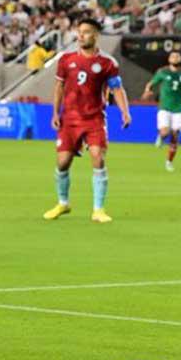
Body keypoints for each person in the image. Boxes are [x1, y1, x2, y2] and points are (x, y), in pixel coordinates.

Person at [44, 18, 131, 223]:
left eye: (86, 32)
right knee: (63, 162)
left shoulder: (107, 63)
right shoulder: (66, 60)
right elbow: (59, 88)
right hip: (70, 119)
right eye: (79, 31)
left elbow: (117, 88)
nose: (81, 35)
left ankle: (98, 209)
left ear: (95, 35)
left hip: (95, 118)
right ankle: (63, 203)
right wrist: (55, 113)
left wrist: (125, 112)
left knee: (97, 157)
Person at [142, 52, 181, 172]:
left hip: (178, 108)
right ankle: (160, 136)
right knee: (165, 132)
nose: (175, 58)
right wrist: (148, 91)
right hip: (164, 107)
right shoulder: (162, 72)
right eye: (173, 56)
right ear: (169, 59)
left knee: (175, 137)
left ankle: (169, 162)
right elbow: (151, 83)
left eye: (177, 56)